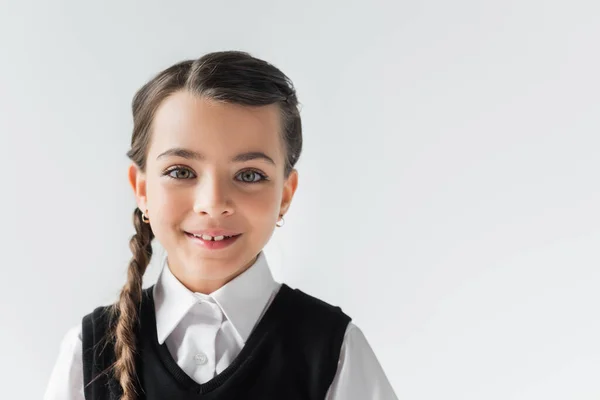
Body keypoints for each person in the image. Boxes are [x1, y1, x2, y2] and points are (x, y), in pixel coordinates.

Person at [43, 50, 398, 400]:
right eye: (181, 171)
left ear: (285, 194)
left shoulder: (334, 350)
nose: (213, 203)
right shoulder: (88, 351)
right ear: (142, 189)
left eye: (249, 175)